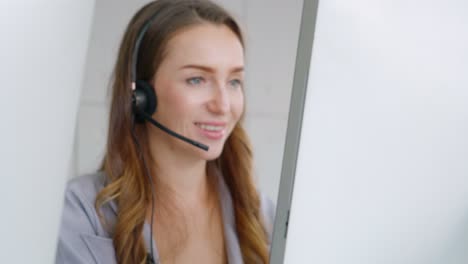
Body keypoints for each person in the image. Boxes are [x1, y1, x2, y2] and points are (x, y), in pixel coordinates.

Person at [55, 0, 275, 263]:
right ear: (141, 96)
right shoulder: (78, 212)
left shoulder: (264, 215)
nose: (223, 105)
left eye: (234, 81)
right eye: (197, 79)